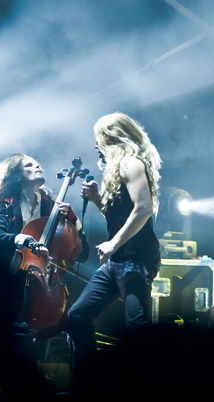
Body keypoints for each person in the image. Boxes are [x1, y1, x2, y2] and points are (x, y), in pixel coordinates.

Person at [0, 154, 82, 385]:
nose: (37, 165)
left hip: (44, 284)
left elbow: (81, 248)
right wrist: (24, 240)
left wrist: (72, 218)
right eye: (28, 165)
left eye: (37, 162)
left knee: (70, 324)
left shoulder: (51, 205)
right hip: (8, 281)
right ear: (17, 175)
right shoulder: (6, 204)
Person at [67, 112, 162, 369]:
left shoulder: (131, 163)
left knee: (137, 328)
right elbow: (119, 216)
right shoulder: (118, 168)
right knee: (77, 315)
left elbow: (144, 209)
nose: (95, 146)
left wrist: (113, 243)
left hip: (137, 257)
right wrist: (98, 199)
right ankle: (92, 381)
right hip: (119, 259)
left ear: (111, 138)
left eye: (98, 139)